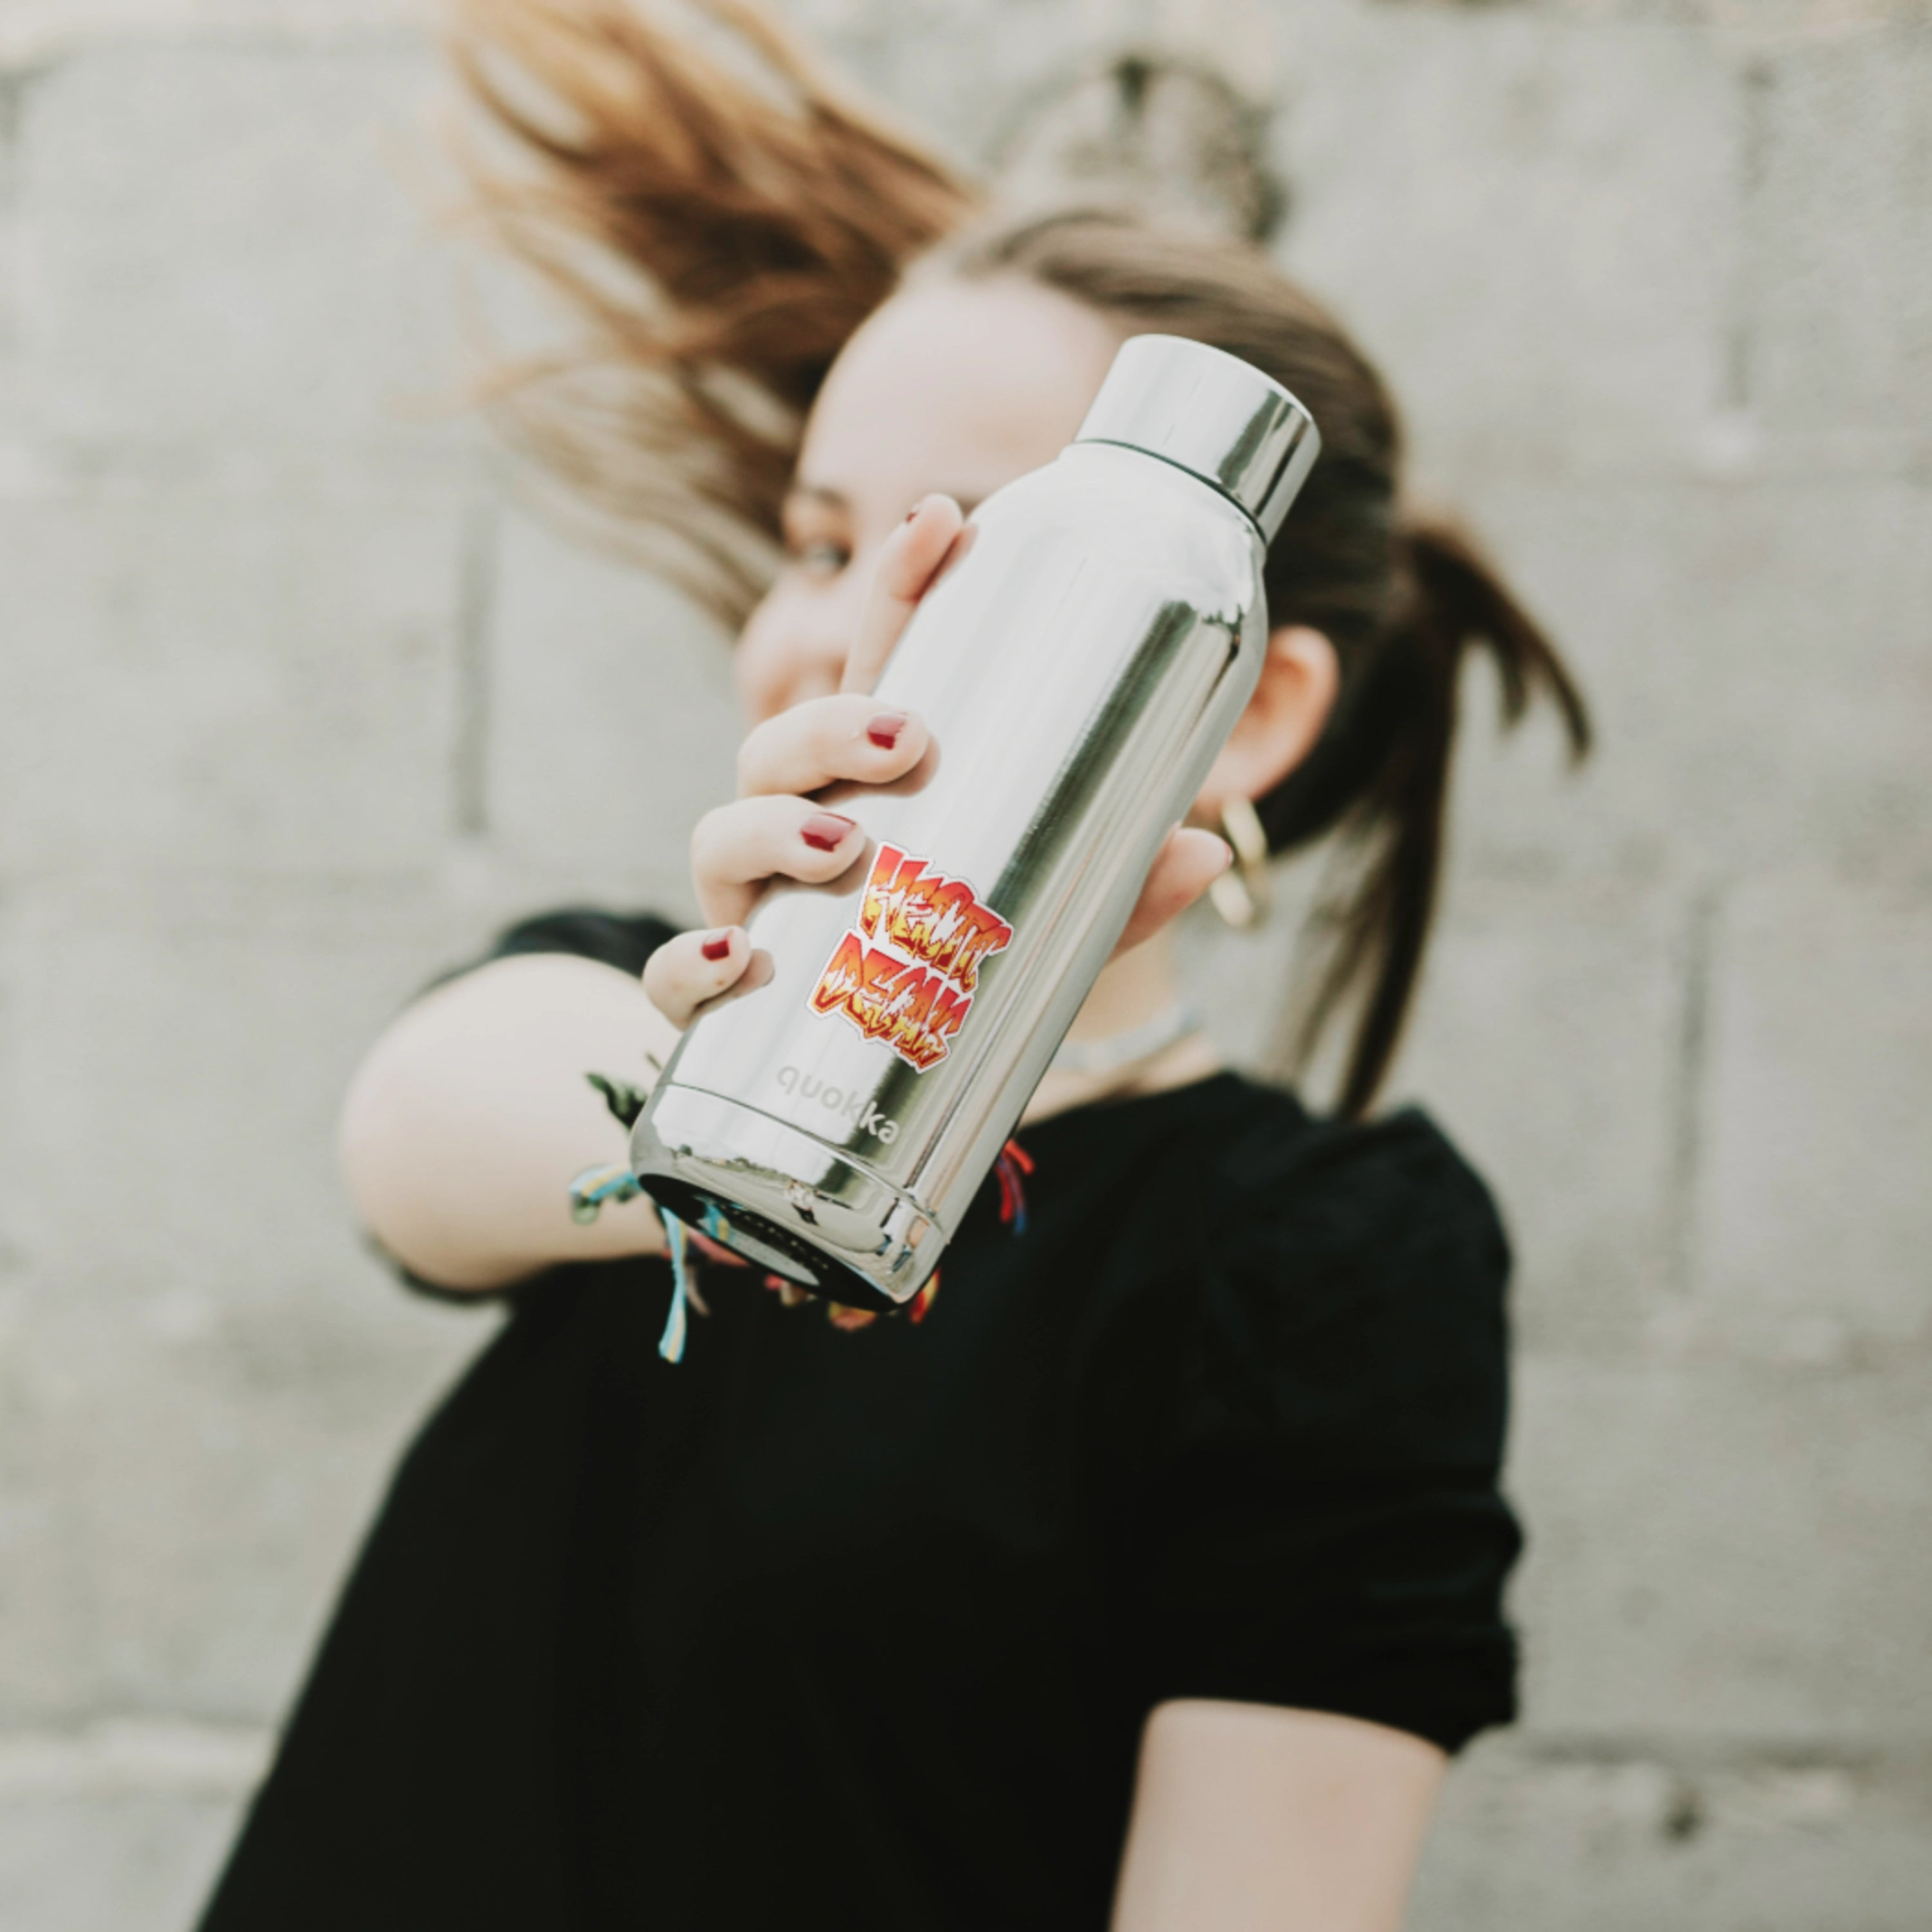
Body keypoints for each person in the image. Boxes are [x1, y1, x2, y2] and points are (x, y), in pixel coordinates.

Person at [198, 3, 1589, 1927]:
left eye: (977, 563)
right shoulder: (623, 1004)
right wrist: (760, 1086)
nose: (818, 633)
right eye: (814, 540)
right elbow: (415, 1146)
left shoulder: (1318, 1264)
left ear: (1248, 709)